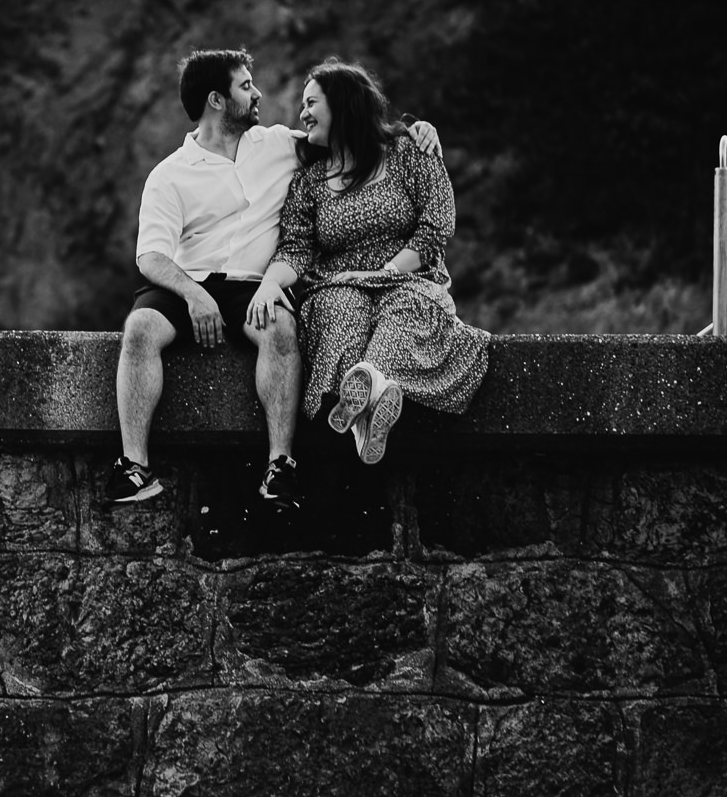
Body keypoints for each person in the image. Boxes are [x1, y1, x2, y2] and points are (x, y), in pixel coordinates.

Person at [106, 50, 440, 506]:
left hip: (253, 284)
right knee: (139, 328)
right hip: (187, 282)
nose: (257, 93)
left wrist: (412, 130)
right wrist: (193, 295)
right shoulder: (169, 175)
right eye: (246, 86)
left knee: (282, 329)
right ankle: (135, 468)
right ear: (217, 101)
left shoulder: (279, 143)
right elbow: (150, 257)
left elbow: (349, 130)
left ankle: (280, 466)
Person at [247, 58, 488, 465]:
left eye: (311, 103)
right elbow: (296, 248)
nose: (302, 114)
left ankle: (364, 399)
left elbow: (436, 225)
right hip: (339, 285)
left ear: (343, 104)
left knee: (407, 308)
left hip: (408, 278)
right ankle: (370, 402)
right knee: (337, 310)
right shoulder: (308, 182)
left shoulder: (410, 151)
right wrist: (270, 283)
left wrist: (385, 273)